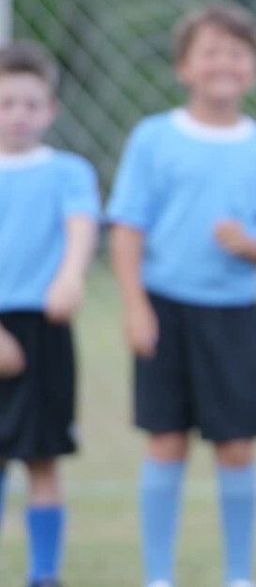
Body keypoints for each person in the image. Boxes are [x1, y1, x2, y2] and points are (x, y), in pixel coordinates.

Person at [106, 3, 256, 587]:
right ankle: (158, 576)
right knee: (165, 443)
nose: (224, 63)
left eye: (237, 53)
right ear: (184, 67)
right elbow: (127, 228)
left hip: (234, 316)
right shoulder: (153, 138)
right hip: (165, 310)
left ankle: (238, 575)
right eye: (210, 51)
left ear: (254, 70)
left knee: (236, 447)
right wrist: (136, 306)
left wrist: (248, 246)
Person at [0, 41, 100, 587]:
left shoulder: (69, 171)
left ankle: (44, 574)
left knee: (43, 457)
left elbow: (81, 225)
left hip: (42, 328)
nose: (18, 114)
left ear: (51, 110)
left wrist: (70, 276)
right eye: (6, 102)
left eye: (30, 103)